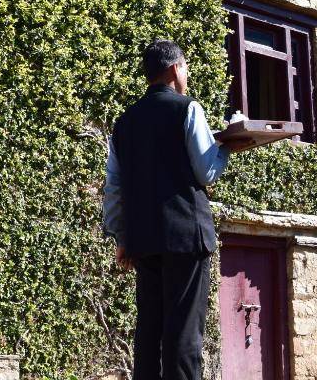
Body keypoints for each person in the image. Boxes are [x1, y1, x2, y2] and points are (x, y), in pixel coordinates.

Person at [102, 38, 243, 380]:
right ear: (174, 68)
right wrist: (225, 144)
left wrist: (121, 236)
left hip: (143, 240)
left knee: (149, 331)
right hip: (185, 237)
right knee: (183, 336)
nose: (188, 73)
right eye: (186, 66)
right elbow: (207, 171)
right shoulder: (186, 108)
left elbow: (114, 186)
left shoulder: (124, 122)